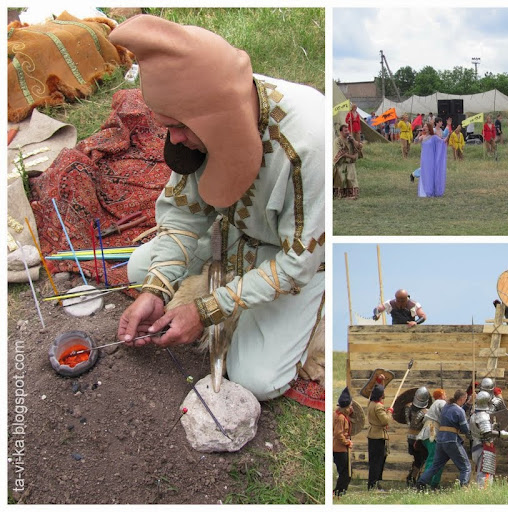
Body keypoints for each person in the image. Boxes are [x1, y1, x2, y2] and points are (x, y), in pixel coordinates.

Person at [111, 15, 325, 402]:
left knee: (255, 379)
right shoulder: (200, 111)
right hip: (232, 237)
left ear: (216, 120)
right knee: (141, 270)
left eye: (178, 126)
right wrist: (157, 289)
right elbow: (183, 213)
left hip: (294, 255)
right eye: (166, 126)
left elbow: (298, 263)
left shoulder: (309, 144)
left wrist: (208, 309)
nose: (174, 139)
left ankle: (316, 311)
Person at [416, 390, 471, 490]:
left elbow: (454, 413)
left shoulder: (446, 407)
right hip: (451, 439)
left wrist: (467, 405)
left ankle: (421, 483)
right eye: (465, 399)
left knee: (435, 466)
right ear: (462, 399)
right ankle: (464, 488)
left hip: (441, 439)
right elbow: (465, 428)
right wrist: (470, 432)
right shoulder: (458, 410)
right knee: (465, 467)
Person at [470, 391, 508, 487]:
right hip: (485, 446)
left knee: (481, 471)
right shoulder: (483, 416)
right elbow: (487, 433)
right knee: (486, 472)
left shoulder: (473, 414)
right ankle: (484, 495)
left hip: (476, 445)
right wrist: (500, 433)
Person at [367, 384, 393, 491]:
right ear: (380, 395)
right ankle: (373, 485)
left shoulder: (371, 403)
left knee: (375, 461)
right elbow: (385, 421)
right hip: (378, 437)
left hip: (373, 435)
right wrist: (390, 413)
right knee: (377, 462)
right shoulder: (378, 406)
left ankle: (374, 484)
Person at [419, 388, 447, 489]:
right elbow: (447, 414)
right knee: (433, 459)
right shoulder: (441, 402)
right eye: (445, 394)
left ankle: (434, 483)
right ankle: (425, 483)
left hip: (428, 432)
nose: (446, 397)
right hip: (432, 432)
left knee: (437, 459)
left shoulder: (434, 405)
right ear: (442, 395)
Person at [405, 387, 431, 486]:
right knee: (421, 459)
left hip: (410, 438)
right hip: (419, 439)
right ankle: (416, 479)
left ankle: (412, 477)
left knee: (417, 459)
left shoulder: (407, 407)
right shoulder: (425, 412)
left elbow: (408, 422)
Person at [333, 387, 354, 496]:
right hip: (340, 449)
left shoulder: (336, 414)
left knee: (345, 472)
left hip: (338, 448)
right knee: (346, 473)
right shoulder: (340, 418)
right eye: (350, 406)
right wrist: (347, 442)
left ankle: (338, 491)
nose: (351, 408)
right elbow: (338, 434)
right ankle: (339, 492)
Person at [418, 123, 447, 197]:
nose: (424, 127)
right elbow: (416, 141)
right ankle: (425, 190)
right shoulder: (422, 136)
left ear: (429, 128)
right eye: (424, 126)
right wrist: (419, 134)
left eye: (426, 126)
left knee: (431, 173)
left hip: (431, 158)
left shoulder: (434, 137)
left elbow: (442, 141)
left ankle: (431, 190)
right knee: (424, 172)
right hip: (424, 158)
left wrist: (449, 134)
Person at [333, 124, 361, 199]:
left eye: (348, 130)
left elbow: (359, 147)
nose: (347, 132)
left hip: (350, 164)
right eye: (345, 131)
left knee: (351, 179)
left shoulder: (351, 140)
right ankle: (340, 194)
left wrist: (353, 140)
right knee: (341, 180)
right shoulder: (337, 141)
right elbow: (340, 152)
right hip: (341, 164)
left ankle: (353, 195)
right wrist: (352, 156)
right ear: (341, 132)